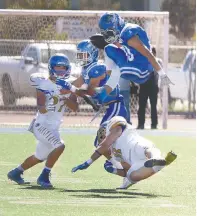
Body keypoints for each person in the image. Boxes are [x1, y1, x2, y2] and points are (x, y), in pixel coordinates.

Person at [7, 53, 78, 188]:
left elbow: (75, 108)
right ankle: (44, 176)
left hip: (54, 127)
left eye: (63, 68)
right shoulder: (43, 83)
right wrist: (50, 102)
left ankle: (16, 172)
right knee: (60, 146)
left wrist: (65, 97)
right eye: (58, 68)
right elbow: (41, 108)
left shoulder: (68, 85)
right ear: (51, 68)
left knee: (39, 157)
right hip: (41, 125)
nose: (61, 71)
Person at [71, 116, 177, 189]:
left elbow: (104, 144)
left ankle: (157, 158)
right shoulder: (115, 153)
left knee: (145, 150)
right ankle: (162, 163)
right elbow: (126, 170)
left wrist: (88, 162)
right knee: (132, 176)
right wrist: (114, 170)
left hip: (136, 145)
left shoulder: (115, 125)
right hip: (138, 163)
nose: (102, 137)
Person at [89, 13, 173, 104]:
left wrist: (163, 75)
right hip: (132, 63)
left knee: (118, 68)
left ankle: (107, 92)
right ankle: (106, 89)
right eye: (104, 34)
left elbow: (149, 55)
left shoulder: (130, 37)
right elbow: (123, 47)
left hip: (143, 70)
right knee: (108, 49)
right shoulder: (121, 33)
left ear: (117, 26)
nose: (108, 36)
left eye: (109, 32)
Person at [56, 39, 128, 135]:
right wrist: (59, 88)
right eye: (79, 55)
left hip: (115, 105)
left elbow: (90, 89)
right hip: (109, 107)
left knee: (103, 138)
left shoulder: (97, 68)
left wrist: (74, 91)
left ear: (92, 54)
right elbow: (76, 84)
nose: (81, 58)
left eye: (84, 55)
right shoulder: (86, 69)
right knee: (105, 139)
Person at [137, 47, 161, 129]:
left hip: (153, 86)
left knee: (153, 106)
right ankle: (141, 124)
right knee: (142, 106)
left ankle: (154, 124)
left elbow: (158, 72)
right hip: (143, 85)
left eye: (152, 53)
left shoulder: (157, 61)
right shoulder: (143, 62)